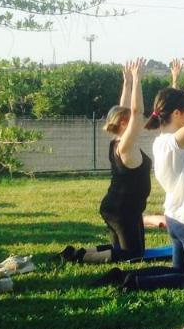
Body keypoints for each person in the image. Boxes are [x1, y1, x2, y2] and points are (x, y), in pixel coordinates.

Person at [102, 42, 184, 290]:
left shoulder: (161, 141)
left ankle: (123, 276)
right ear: (177, 114)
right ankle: (135, 283)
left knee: (178, 271)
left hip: (175, 217)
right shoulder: (177, 143)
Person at [62, 58, 151, 264]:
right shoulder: (125, 145)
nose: (137, 122)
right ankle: (80, 257)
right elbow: (136, 113)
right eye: (129, 120)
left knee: (124, 249)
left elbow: (125, 110)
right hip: (122, 210)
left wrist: (127, 84)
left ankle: (75, 252)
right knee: (133, 255)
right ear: (123, 123)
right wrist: (137, 79)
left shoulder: (118, 141)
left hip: (124, 208)